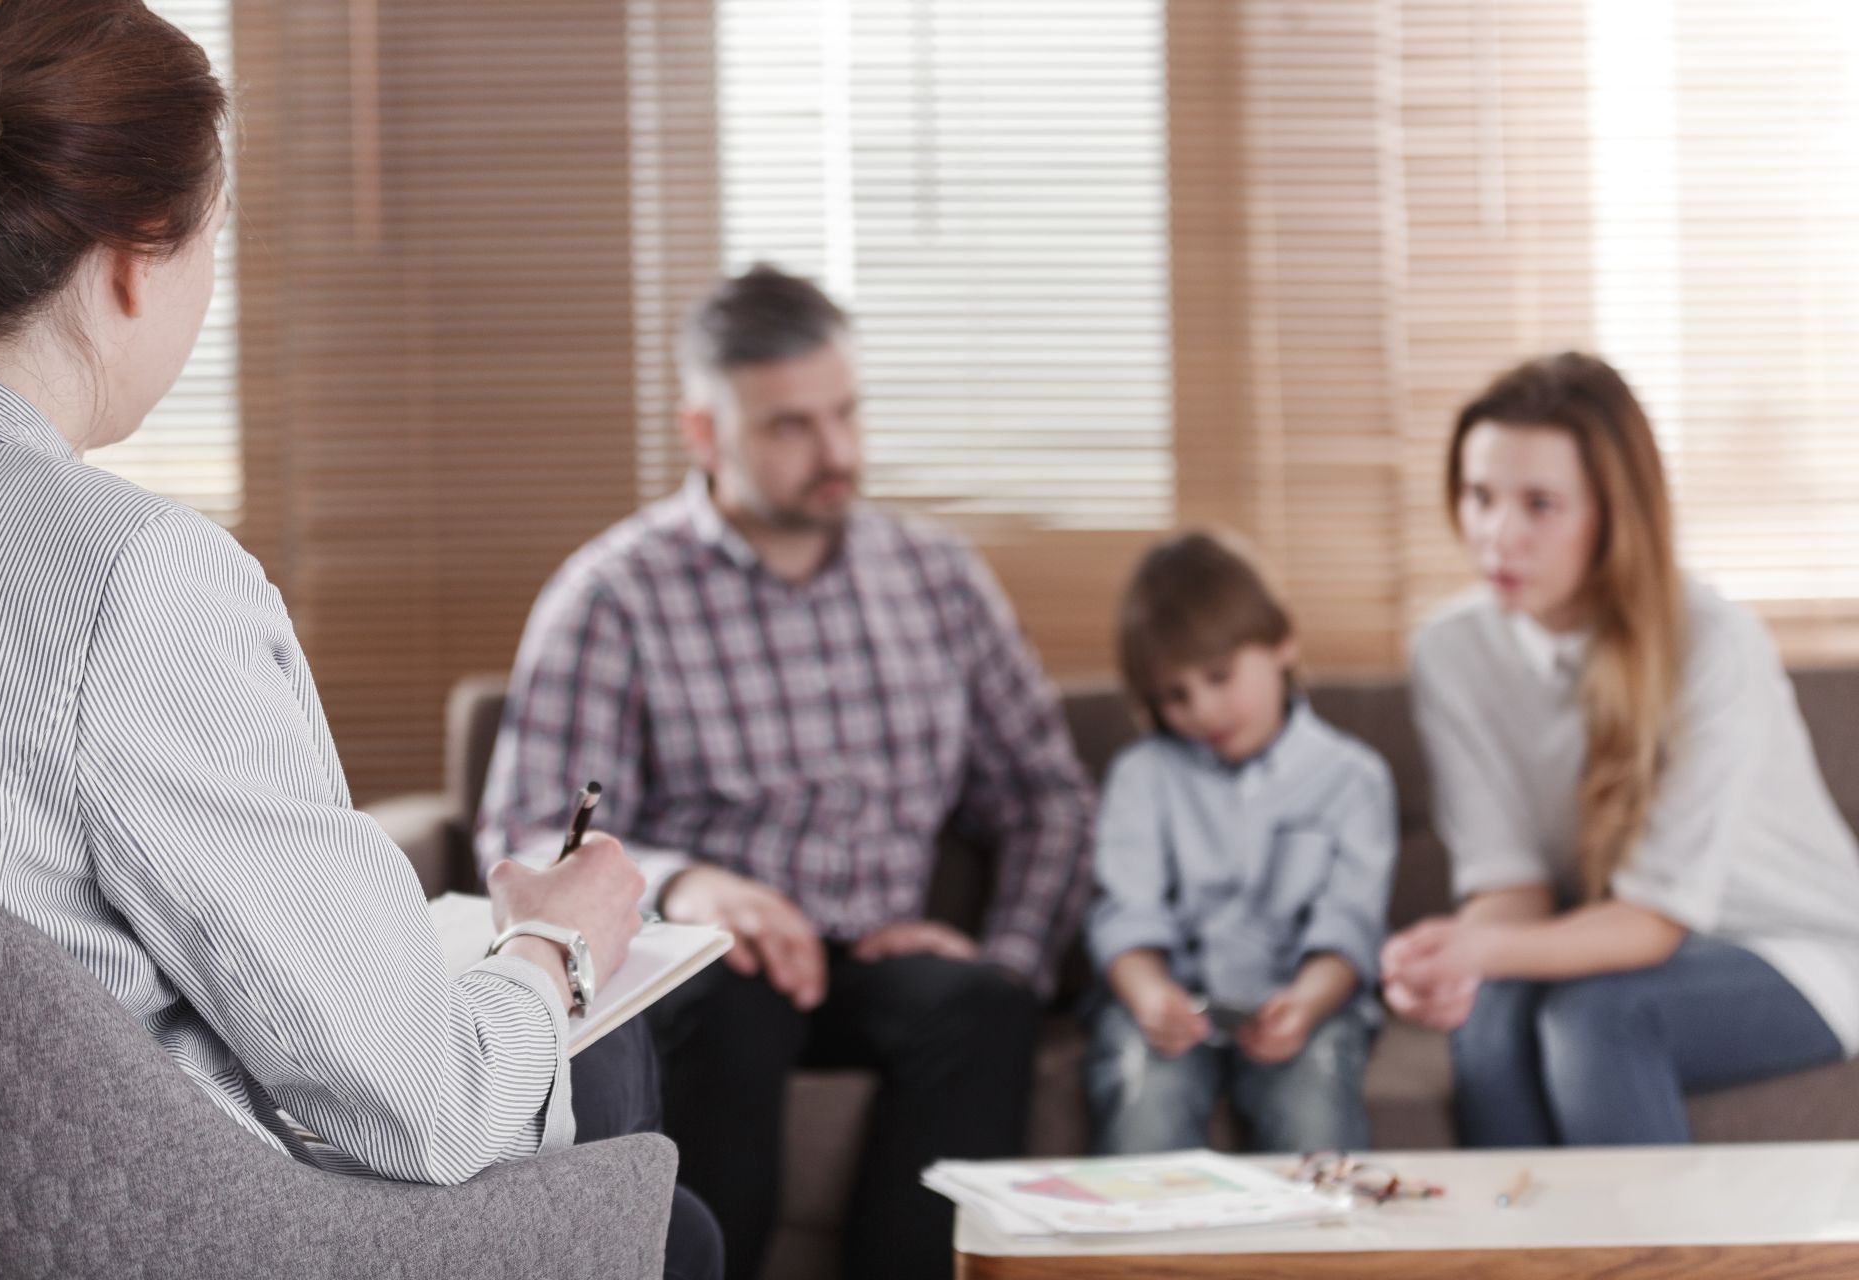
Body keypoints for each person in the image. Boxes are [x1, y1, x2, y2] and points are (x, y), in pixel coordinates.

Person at [0, 3, 717, 1274]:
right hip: (166, 1244)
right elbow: (428, 1109)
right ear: (140, 255)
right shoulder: (130, 581)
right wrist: (558, 943)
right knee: (635, 1137)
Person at [477, 263, 1095, 1280]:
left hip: (881, 952)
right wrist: (690, 883)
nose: (838, 452)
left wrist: (1005, 948)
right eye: (790, 426)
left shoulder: (937, 579)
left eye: (845, 413)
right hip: (711, 960)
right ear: (705, 432)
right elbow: (532, 829)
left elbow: (1045, 794)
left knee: (985, 1005)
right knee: (734, 1001)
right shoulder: (614, 595)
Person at [1383, 351, 1859, 1146]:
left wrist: (1480, 946)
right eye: (1479, 496)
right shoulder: (1452, 651)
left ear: (1612, 514)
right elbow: (1512, 883)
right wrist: (1451, 960)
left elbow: (1652, 924)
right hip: (1607, 941)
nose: (1499, 535)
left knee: (1599, 1019)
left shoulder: (1713, 644)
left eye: (1540, 504)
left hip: (1793, 950)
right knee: (1490, 1021)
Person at [1081, 532, 1397, 1155]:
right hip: (1172, 1009)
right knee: (1147, 1091)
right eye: (1175, 695)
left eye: (1220, 677)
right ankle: (1145, 1254)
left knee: (1315, 1098)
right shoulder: (1141, 776)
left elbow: (1349, 927)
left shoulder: (1352, 779)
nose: (1202, 710)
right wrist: (1150, 996)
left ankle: (1315, 1256)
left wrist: (1305, 1003)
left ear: (1283, 641)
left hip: (1304, 1002)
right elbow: (1127, 915)